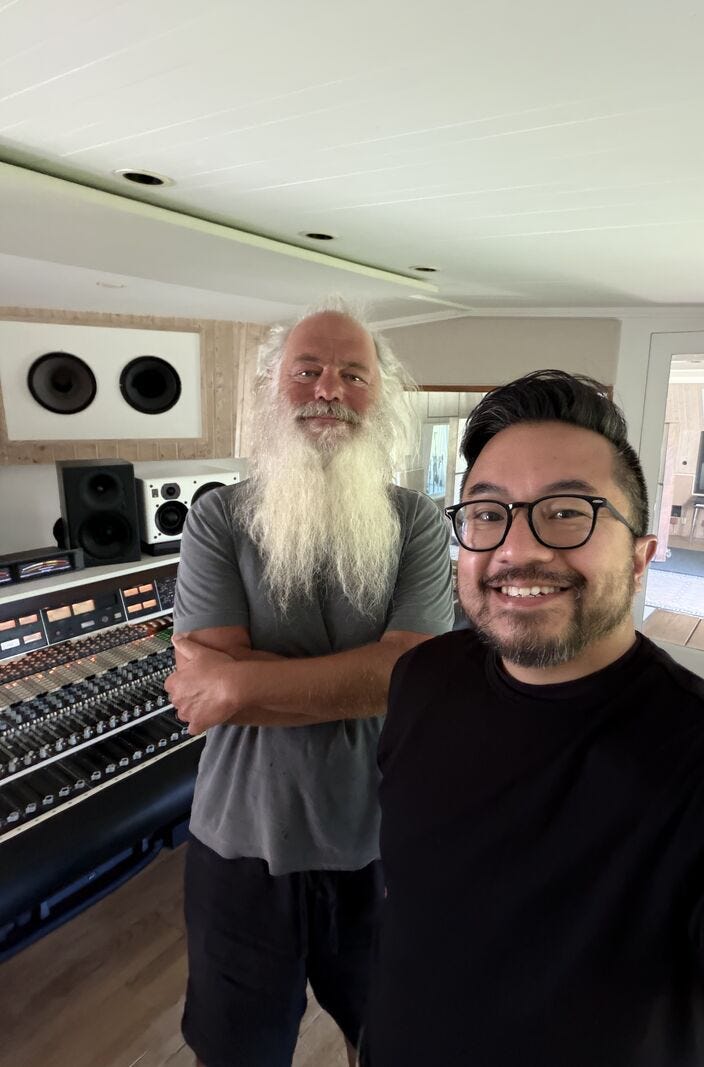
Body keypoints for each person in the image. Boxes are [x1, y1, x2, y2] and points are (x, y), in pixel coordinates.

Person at [362, 370, 704, 1067]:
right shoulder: (421, 678)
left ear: (640, 557)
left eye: (568, 511)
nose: (517, 549)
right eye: (488, 512)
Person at [164, 300, 454, 1067]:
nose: (329, 389)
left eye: (353, 374)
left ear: (381, 396)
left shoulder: (418, 523)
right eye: (309, 370)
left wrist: (239, 686)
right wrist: (366, 676)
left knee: (391, 1039)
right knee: (238, 1051)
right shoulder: (218, 519)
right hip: (240, 846)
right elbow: (205, 680)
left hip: (383, 845)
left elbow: (412, 675)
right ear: (273, 386)